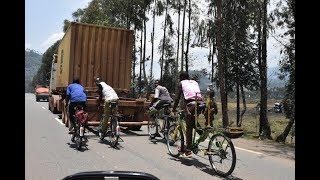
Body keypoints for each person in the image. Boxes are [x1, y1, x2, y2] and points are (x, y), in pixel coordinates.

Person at [172, 71, 203, 158]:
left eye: (179, 77)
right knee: (193, 122)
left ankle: (188, 150)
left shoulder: (181, 83)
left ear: (181, 77)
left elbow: (178, 98)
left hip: (191, 105)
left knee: (188, 127)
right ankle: (202, 133)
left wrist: (174, 109)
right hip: (200, 104)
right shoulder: (194, 82)